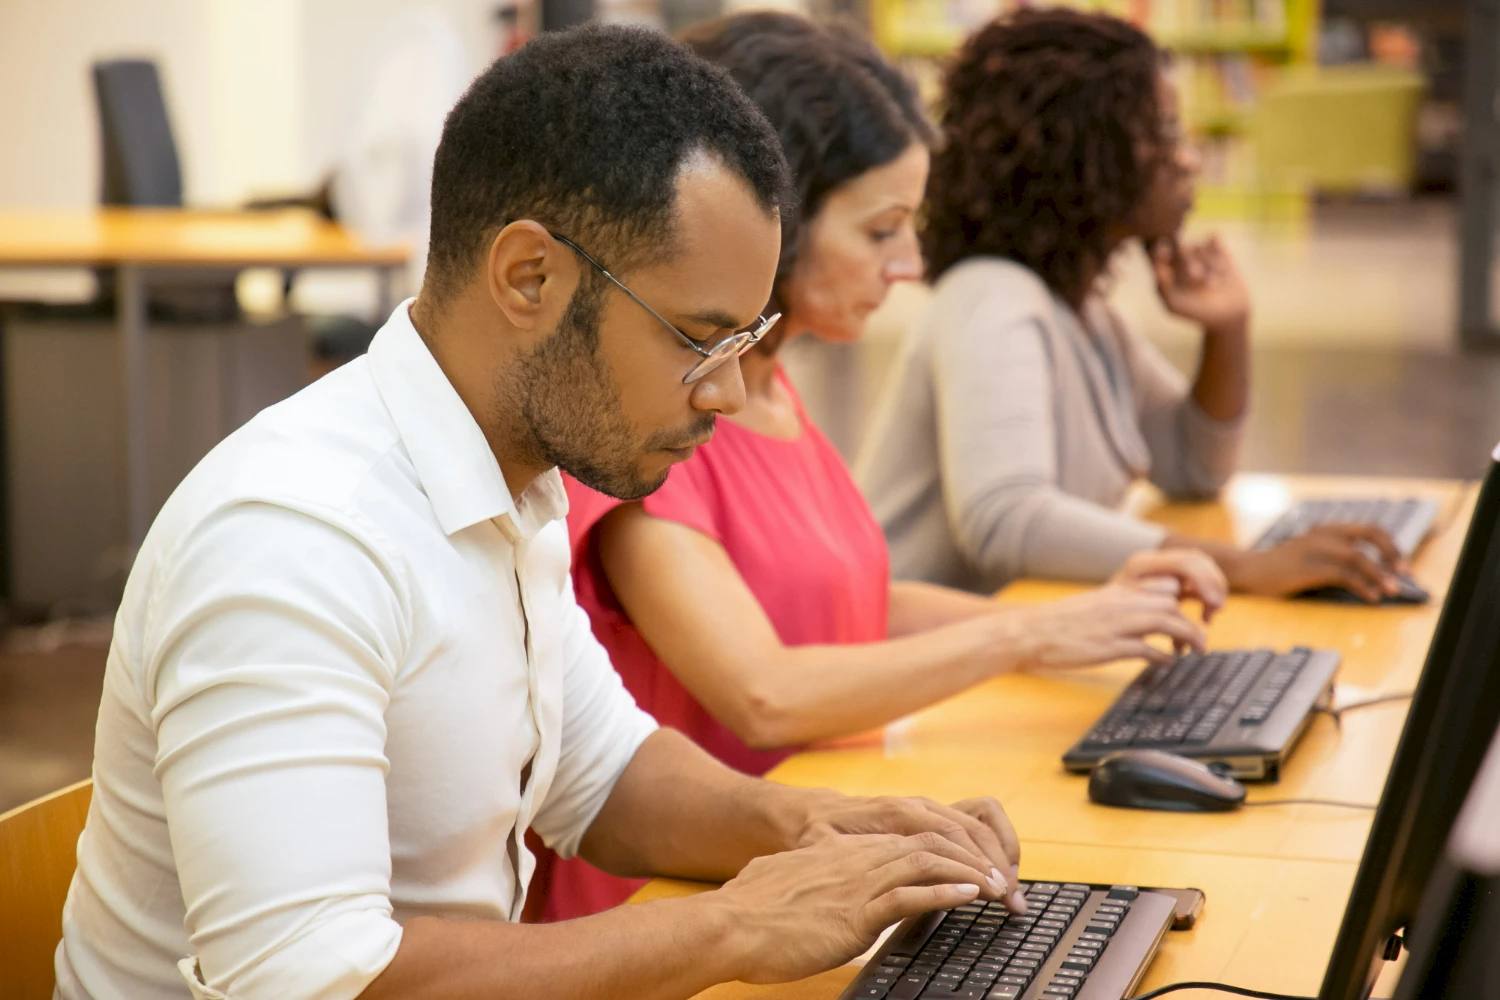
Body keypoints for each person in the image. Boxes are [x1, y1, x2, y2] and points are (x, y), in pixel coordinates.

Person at [55, 27, 1037, 1000]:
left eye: (746, 340)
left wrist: (822, 830)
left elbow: (602, 773)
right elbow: (311, 978)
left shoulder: (514, 474)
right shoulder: (296, 536)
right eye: (699, 340)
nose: (729, 394)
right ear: (530, 276)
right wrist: (743, 920)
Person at [540, 11, 1227, 923]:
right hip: (681, 904)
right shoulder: (657, 426)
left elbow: (847, 598)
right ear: (763, 226)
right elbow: (764, 692)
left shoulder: (774, 390)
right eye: (880, 232)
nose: (908, 264)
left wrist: (1078, 624)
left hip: (810, 865)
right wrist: (1019, 638)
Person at [857, 7, 1407, 603]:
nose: (1190, 159)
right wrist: (1241, 567)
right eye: (1165, 134)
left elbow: (1192, 469)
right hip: (924, 685)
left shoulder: (1082, 312)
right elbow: (1005, 520)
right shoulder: (992, 300)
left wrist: (1228, 329)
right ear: (1083, 152)